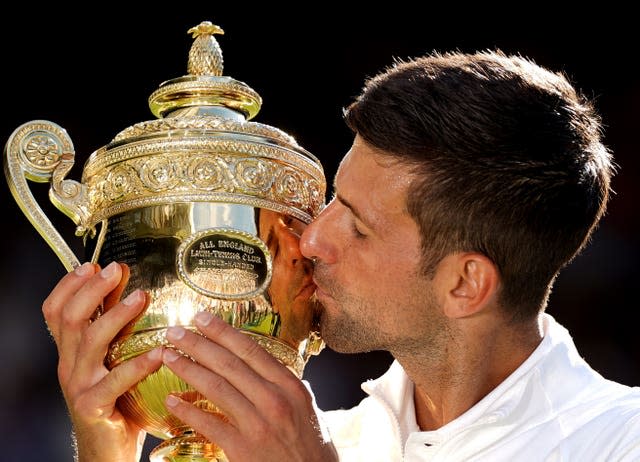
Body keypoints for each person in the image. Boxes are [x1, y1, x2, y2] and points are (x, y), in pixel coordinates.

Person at [42, 50, 640, 461]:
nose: (310, 240)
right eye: (332, 200)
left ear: (465, 284)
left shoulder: (617, 441)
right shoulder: (326, 437)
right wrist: (108, 448)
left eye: (356, 227)